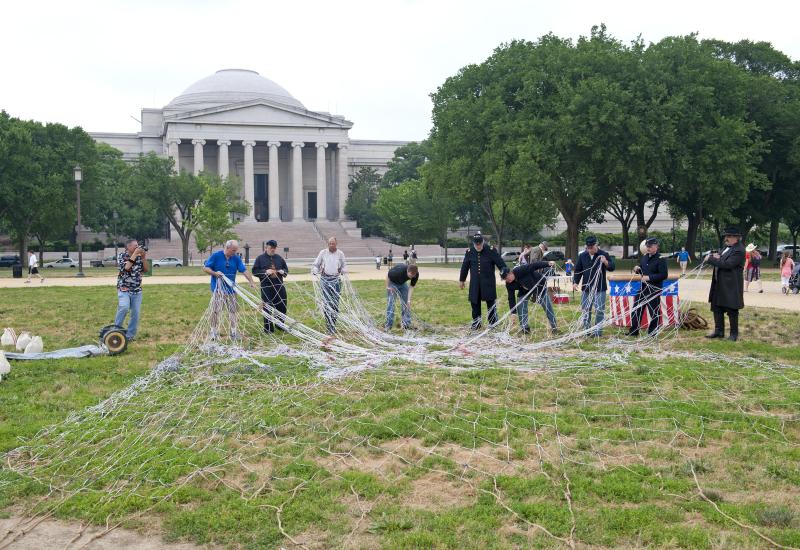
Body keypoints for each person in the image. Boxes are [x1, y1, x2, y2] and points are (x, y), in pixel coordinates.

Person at [202, 239, 257, 340]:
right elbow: (205, 268)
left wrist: (251, 281)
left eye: (236, 250)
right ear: (227, 248)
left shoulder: (236, 258)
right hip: (218, 290)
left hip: (231, 290)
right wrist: (215, 273)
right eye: (233, 250)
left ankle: (234, 332)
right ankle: (213, 332)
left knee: (233, 311)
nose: (235, 252)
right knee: (215, 311)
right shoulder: (216, 256)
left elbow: (244, 270)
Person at [459, 233, 508, 329]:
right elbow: (464, 267)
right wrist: (462, 280)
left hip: (488, 282)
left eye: (480, 244)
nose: (478, 246)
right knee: (475, 303)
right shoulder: (469, 252)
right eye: (476, 244)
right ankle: (477, 323)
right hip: (475, 283)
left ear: (483, 242)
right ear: (473, 243)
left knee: (491, 304)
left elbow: (501, 264)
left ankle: (493, 323)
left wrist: (504, 273)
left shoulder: (491, 250)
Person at [705, 227, 745, 341]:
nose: (726, 238)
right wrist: (717, 256)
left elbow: (728, 264)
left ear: (736, 238)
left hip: (731, 284)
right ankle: (719, 331)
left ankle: (733, 334)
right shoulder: (726, 248)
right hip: (719, 283)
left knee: (732, 309)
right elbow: (722, 258)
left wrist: (711, 259)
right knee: (716, 307)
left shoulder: (739, 250)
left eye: (729, 236)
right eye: (726, 236)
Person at [573, 236, 615, 337]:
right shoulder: (582, 256)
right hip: (586, 288)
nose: (590, 250)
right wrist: (575, 282)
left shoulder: (603, 254)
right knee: (586, 309)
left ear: (596, 245)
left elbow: (612, 267)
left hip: (600, 288)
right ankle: (586, 330)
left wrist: (605, 262)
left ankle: (598, 332)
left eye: (592, 248)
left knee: (599, 310)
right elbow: (578, 270)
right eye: (588, 248)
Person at [627, 237, 668, 337]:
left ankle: (652, 333)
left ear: (656, 246)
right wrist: (637, 269)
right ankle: (634, 331)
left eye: (650, 246)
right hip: (644, 288)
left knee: (653, 311)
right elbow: (642, 271)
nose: (648, 248)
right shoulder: (645, 257)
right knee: (636, 308)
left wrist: (649, 277)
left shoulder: (661, 259)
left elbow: (663, 275)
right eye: (647, 246)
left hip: (654, 289)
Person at [505, 260, 557, 334]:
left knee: (547, 305)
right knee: (521, 304)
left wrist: (547, 263)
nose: (507, 280)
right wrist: (513, 312)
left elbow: (534, 265)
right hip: (524, 290)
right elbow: (511, 298)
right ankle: (525, 328)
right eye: (505, 279)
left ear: (510, 273)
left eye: (507, 278)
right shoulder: (508, 284)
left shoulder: (520, 270)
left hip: (538, 285)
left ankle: (554, 327)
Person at [312, 237, 347, 335]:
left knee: (335, 303)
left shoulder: (340, 253)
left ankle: (333, 325)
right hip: (325, 280)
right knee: (327, 303)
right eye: (330, 243)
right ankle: (329, 325)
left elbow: (344, 265)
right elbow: (316, 264)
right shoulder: (323, 252)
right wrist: (315, 270)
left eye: (333, 243)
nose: (332, 245)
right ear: (328, 244)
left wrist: (343, 271)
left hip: (336, 280)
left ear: (336, 244)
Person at [252, 240, 289, 333]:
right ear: (266, 248)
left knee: (281, 305)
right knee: (267, 307)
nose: (272, 250)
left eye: (274, 248)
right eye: (270, 248)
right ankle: (268, 329)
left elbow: (286, 270)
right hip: (266, 287)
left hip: (279, 286)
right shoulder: (260, 258)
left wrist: (282, 271)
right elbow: (255, 271)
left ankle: (280, 325)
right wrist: (265, 272)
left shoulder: (279, 258)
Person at [114, 239, 146, 341]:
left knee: (135, 314)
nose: (138, 248)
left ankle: (130, 336)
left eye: (138, 246)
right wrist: (135, 254)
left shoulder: (139, 257)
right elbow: (126, 267)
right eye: (135, 246)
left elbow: (146, 270)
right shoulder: (121, 256)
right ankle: (116, 331)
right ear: (128, 247)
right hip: (124, 288)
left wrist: (144, 257)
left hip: (137, 290)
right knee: (124, 307)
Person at [385, 263, 419, 330]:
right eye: (410, 275)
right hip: (392, 283)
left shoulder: (416, 274)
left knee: (406, 304)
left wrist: (408, 300)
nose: (412, 277)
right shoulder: (398, 272)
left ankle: (406, 324)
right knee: (391, 303)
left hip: (402, 284)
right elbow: (388, 276)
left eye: (413, 276)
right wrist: (387, 287)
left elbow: (411, 286)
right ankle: (388, 325)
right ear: (407, 271)